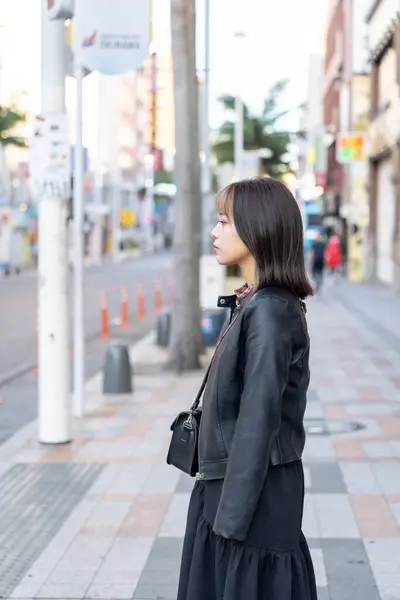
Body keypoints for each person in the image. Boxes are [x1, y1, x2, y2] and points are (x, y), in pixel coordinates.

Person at [177, 177, 317, 600]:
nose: (215, 232)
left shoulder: (272, 310)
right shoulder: (255, 301)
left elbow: (259, 423)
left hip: (253, 495)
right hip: (229, 484)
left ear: (258, 229)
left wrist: (229, 524)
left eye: (224, 222)